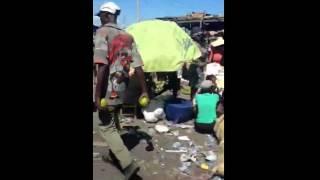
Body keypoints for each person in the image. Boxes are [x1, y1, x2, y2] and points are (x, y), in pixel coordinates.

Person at [94, 2, 148, 179]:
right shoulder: (128, 36)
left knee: (105, 126)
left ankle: (127, 163)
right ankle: (113, 155)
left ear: (107, 15)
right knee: (114, 121)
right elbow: (139, 66)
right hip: (122, 89)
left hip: (107, 90)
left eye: (100, 15)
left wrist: (97, 95)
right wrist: (144, 91)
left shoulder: (102, 32)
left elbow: (101, 66)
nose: (99, 18)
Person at [182, 26, 208, 100]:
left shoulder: (200, 43)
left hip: (197, 68)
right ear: (194, 36)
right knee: (191, 86)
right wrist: (202, 63)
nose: (200, 36)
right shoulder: (192, 44)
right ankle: (190, 102)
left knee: (195, 86)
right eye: (198, 35)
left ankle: (192, 101)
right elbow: (192, 58)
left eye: (200, 35)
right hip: (192, 68)